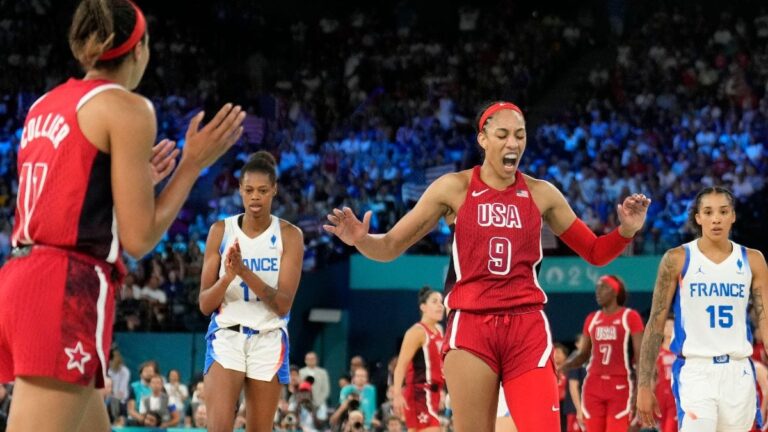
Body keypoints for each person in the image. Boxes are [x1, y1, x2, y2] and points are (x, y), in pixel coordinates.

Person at [323, 100, 650, 431]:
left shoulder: (542, 194)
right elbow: (390, 246)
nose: (513, 143)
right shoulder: (454, 188)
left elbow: (595, 252)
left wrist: (626, 231)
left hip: (527, 327)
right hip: (472, 326)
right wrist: (361, 240)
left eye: (520, 135)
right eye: (503, 134)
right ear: (483, 138)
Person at [0, 0, 245, 430]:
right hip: (66, 285)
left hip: (22, 278)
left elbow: (64, 197)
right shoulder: (128, 108)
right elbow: (139, 238)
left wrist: (127, 183)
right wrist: (191, 165)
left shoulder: (44, 104)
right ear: (138, 49)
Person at [637, 186, 768, 431]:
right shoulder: (677, 258)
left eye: (723, 211)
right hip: (696, 370)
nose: (716, 218)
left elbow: (766, 321)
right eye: (708, 212)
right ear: (698, 217)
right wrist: (644, 385)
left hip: (738, 371)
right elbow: (655, 323)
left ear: (733, 215)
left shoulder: (753, 260)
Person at [198, 151, 304, 432]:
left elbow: (282, 305)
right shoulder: (221, 231)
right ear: (239, 190)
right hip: (227, 335)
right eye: (248, 190)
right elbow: (205, 304)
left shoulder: (290, 236)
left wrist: (244, 272)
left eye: (262, 190)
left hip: (268, 338)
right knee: (219, 427)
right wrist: (227, 277)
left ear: (274, 190)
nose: (255, 197)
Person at [560, 275, 644, 432]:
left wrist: (641, 389)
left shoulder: (630, 317)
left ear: (615, 292)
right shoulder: (592, 318)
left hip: (620, 384)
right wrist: (563, 367)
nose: (598, 291)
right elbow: (583, 354)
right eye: (597, 287)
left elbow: (641, 357)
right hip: (593, 384)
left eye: (603, 287)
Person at [392, 286, 445, 432]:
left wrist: (441, 391)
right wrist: (397, 395)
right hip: (419, 393)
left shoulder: (440, 330)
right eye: (434, 301)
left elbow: (438, 365)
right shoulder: (417, 332)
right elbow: (401, 366)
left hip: (432, 393)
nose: (440, 305)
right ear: (423, 307)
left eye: (441, 301)